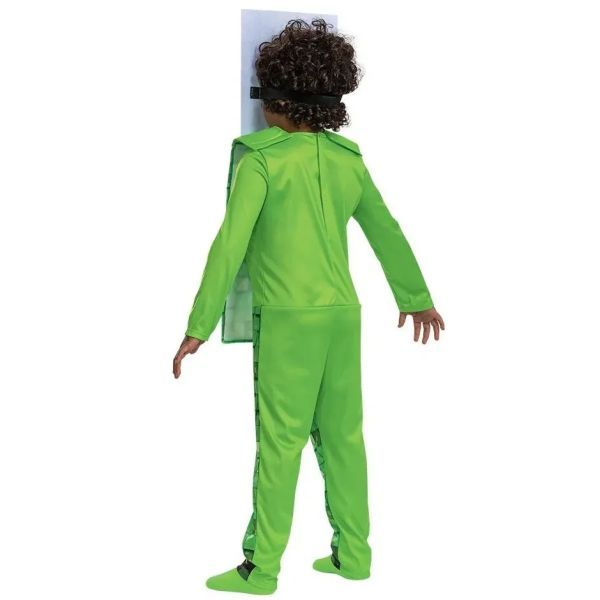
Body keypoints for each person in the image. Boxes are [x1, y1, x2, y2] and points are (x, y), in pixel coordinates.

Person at [172, 17, 445, 595]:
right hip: (343, 316)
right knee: (344, 437)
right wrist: (416, 298)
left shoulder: (260, 160)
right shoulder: (348, 159)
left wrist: (199, 325)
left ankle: (261, 569)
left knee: (280, 443)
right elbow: (387, 231)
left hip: (288, 320)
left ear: (277, 100)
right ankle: (354, 555)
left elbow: (229, 246)